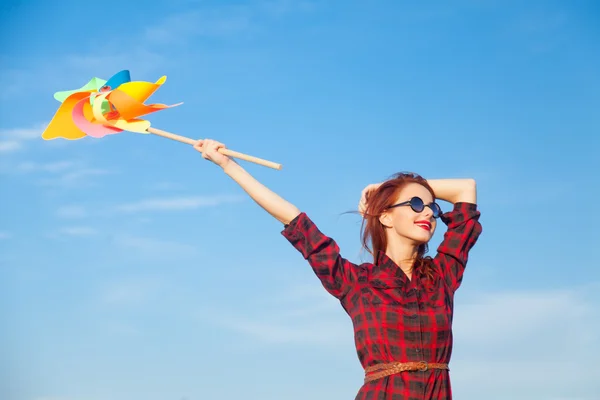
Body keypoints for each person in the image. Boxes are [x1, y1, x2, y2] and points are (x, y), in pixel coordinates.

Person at [194, 139, 483, 400]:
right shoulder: (356, 282)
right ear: (385, 216)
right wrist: (227, 164)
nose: (428, 213)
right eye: (416, 204)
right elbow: (294, 220)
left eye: (432, 207)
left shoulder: (442, 276)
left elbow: (465, 189)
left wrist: (387, 191)